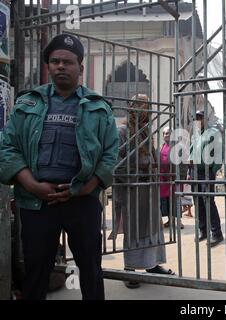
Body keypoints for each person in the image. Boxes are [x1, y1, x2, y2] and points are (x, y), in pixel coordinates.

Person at [0, 34, 119, 300]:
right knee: (35, 271)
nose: (61, 66)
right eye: (55, 61)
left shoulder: (98, 108)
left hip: (82, 201)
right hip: (36, 203)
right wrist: (31, 184)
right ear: (48, 66)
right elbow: (7, 147)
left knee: (90, 270)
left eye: (68, 62)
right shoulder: (26, 103)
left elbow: (111, 153)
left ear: (81, 68)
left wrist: (88, 186)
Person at [113, 94, 174, 289]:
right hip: (132, 188)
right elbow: (115, 162)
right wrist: (139, 170)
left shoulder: (146, 132)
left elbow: (152, 157)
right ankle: (130, 268)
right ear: (130, 107)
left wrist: (154, 169)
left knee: (152, 225)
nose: (142, 108)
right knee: (134, 227)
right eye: (137, 104)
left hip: (149, 188)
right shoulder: (122, 131)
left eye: (145, 105)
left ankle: (152, 265)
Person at [188, 110, 224, 247]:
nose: (197, 120)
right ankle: (203, 230)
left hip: (206, 172)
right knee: (198, 202)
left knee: (208, 201)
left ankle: (217, 233)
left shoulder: (213, 132)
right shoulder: (196, 134)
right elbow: (192, 151)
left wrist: (212, 171)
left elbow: (219, 153)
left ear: (205, 118)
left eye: (200, 117)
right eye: (195, 117)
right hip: (194, 171)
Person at [160, 126, 184, 229]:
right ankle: (170, 220)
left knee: (175, 199)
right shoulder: (162, 146)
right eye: (165, 133)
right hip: (164, 179)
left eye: (169, 133)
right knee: (166, 200)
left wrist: (181, 177)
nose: (167, 135)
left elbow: (183, 163)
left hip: (174, 178)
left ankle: (178, 221)